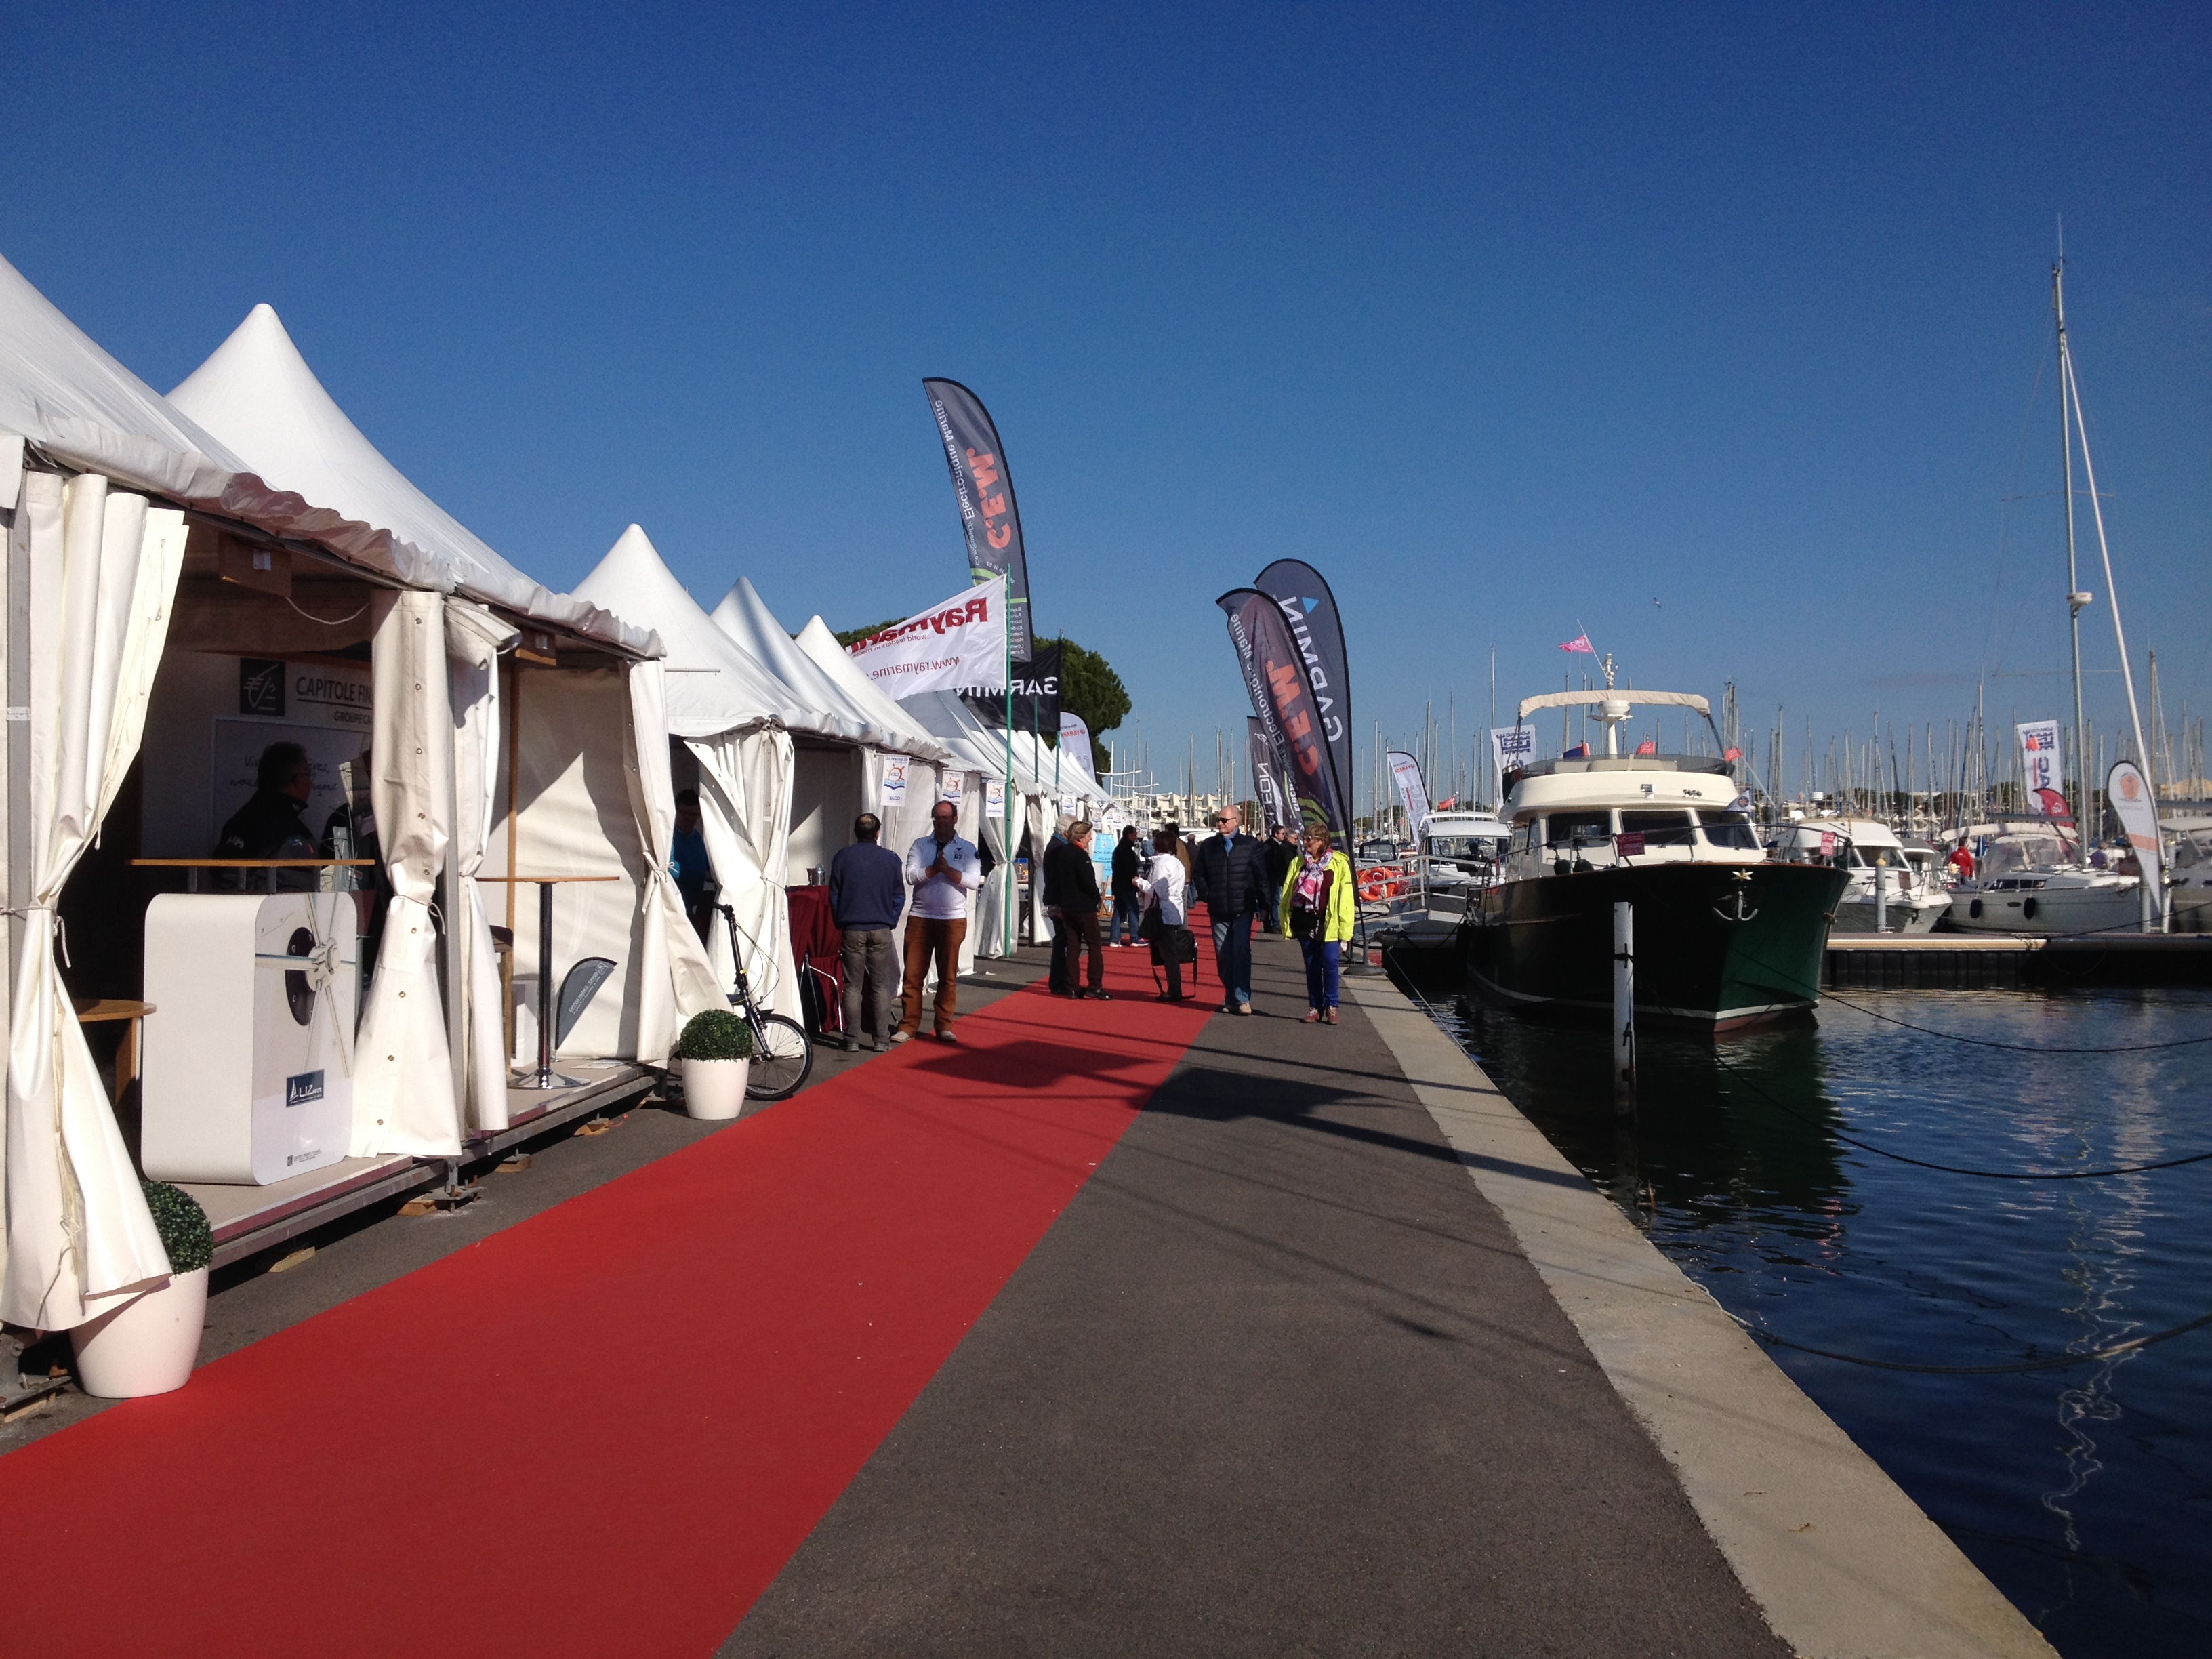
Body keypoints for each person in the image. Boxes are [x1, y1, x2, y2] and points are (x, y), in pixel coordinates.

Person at [897, 800, 983, 1044]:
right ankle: (909, 1025)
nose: (942, 821)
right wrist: (934, 869)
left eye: (946, 817)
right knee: (913, 975)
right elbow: (911, 876)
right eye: (937, 817)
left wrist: (947, 871)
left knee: (948, 976)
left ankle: (944, 1025)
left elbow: (974, 881)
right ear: (932, 819)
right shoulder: (920, 845)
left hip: (952, 919)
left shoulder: (967, 848)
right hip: (921, 917)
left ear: (955, 819)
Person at [830, 812, 904, 1052]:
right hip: (880, 927)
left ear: (855, 832)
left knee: (852, 986)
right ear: (878, 833)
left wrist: (841, 919)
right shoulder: (891, 859)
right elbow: (899, 896)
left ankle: (852, 1038)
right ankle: (881, 1039)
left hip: (852, 927)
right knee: (881, 986)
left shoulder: (842, 858)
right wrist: (890, 919)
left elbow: (834, 895)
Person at [1192, 805, 1269, 1015]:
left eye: (1224, 820)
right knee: (1224, 955)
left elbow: (1261, 877)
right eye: (1219, 820)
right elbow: (1198, 874)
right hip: (1218, 909)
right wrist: (1207, 894)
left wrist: (1264, 905)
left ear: (1236, 822)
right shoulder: (1208, 846)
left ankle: (1242, 998)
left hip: (1242, 908)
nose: (1220, 823)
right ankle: (1230, 997)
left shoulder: (1251, 845)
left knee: (1241, 952)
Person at [216, 741, 321, 890]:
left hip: (305, 910)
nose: (310, 782)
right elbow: (228, 874)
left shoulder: (286, 817)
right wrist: (271, 904)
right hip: (276, 912)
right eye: (308, 775)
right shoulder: (251, 819)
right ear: (295, 780)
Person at [1279, 826, 1356, 1023]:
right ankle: (1315, 1007)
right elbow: (1288, 891)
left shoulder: (1339, 863)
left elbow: (1346, 899)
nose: (1306, 843)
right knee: (1312, 964)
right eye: (1305, 839)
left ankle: (1332, 1006)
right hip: (1305, 920)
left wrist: (1346, 933)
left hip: (1329, 922)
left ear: (1323, 841)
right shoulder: (1298, 863)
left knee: (1330, 962)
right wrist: (1285, 917)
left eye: (1311, 840)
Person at [1048, 819, 1109, 999]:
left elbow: (1058, 881)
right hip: (1083, 906)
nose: (1090, 838)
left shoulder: (1063, 853)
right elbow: (1088, 882)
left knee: (1073, 946)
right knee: (1094, 944)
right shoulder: (1080, 856)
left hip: (1068, 906)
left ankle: (1073, 986)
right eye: (1089, 835)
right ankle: (1095, 984)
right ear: (1081, 837)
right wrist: (1095, 898)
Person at [1136, 825, 1192, 1001]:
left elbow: (1156, 890)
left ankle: (1175, 990)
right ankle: (1174, 988)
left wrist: (1139, 883)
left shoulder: (1162, 864)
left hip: (1163, 912)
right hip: (1173, 909)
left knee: (1169, 953)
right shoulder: (1177, 863)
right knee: (1169, 951)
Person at [670, 787, 715, 940]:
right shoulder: (669, 837)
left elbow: (707, 867)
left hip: (694, 906)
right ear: (676, 811)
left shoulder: (696, 838)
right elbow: (670, 868)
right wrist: (702, 874)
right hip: (674, 907)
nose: (690, 819)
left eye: (694, 814)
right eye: (685, 813)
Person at [1041, 818, 1073, 995]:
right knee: (1063, 941)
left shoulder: (1056, 846)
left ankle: (1060, 981)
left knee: (1062, 941)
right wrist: (1059, 907)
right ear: (1066, 832)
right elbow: (1055, 880)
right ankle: (1059, 982)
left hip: (1055, 900)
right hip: (1057, 902)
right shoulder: (1058, 848)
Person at [1109, 825, 1144, 947]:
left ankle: (1114, 939)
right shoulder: (1126, 850)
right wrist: (1135, 881)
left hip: (1118, 884)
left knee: (1119, 911)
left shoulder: (1118, 849)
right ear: (1129, 835)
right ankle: (1135, 937)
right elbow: (1129, 869)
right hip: (1126, 885)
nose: (1136, 837)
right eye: (1135, 835)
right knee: (1133, 910)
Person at [1261, 824, 1296, 933]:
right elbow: (1268, 863)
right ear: (1276, 834)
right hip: (1271, 877)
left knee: (1274, 900)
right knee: (1273, 901)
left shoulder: (1278, 845)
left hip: (1275, 876)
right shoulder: (1269, 846)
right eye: (1283, 834)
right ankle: (1273, 923)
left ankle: (1272, 923)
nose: (1284, 836)